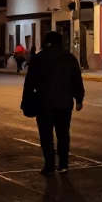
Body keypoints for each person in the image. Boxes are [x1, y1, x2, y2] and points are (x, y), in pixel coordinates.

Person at [21, 30, 85, 176]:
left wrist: (26, 101)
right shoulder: (69, 58)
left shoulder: (39, 58)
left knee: (46, 135)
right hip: (65, 103)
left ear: (47, 42)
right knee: (63, 134)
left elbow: (30, 82)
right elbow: (76, 79)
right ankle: (63, 164)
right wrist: (79, 98)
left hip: (44, 103)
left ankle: (49, 165)